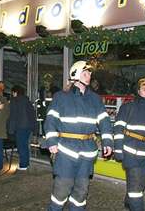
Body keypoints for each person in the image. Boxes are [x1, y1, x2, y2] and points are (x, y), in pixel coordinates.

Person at [44, 60, 113, 210]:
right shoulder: (61, 97)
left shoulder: (95, 99)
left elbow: (104, 121)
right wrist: (52, 142)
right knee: (61, 192)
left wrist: (108, 142)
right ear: (75, 75)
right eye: (85, 72)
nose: (89, 75)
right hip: (66, 151)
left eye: (89, 73)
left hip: (87, 152)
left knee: (81, 192)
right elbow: (50, 120)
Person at [113, 77, 145, 211]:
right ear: (138, 91)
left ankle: (128, 202)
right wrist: (118, 150)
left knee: (141, 187)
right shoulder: (127, 107)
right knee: (136, 191)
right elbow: (118, 128)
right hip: (131, 154)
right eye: (144, 89)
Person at [8, 85, 37, 171]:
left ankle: (23, 165)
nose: (12, 94)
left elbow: (13, 116)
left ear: (15, 92)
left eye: (13, 92)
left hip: (20, 127)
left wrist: (10, 130)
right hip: (28, 127)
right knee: (25, 145)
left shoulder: (14, 101)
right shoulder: (27, 101)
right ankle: (26, 163)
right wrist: (34, 127)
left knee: (21, 146)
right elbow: (32, 114)